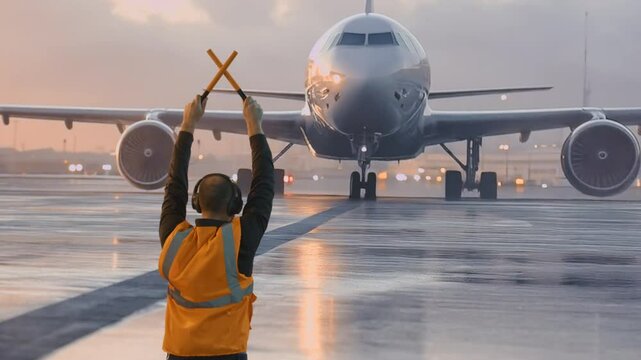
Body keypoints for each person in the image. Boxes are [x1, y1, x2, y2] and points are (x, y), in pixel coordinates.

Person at [158, 95, 274, 360]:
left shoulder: (174, 240)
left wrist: (187, 125)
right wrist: (254, 125)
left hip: (179, 354)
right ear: (235, 203)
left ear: (197, 202)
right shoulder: (240, 240)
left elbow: (174, 186)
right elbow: (264, 184)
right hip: (227, 354)